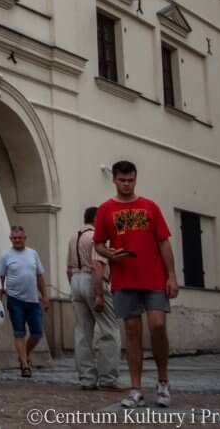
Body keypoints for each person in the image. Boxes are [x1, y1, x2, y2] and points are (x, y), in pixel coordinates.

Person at [93, 160, 179, 410]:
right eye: (122, 180)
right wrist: (110, 254)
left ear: (135, 179)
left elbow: (164, 242)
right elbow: (98, 243)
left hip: (154, 277)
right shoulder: (106, 209)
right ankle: (136, 388)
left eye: (130, 180)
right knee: (131, 331)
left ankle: (163, 381)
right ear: (114, 180)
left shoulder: (150, 207)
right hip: (125, 279)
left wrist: (171, 275)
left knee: (158, 325)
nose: (127, 185)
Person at [68, 206, 119, 390]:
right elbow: (98, 265)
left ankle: (87, 378)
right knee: (109, 330)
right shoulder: (97, 236)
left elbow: (68, 268)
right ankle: (108, 378)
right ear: (96, 218)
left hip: (76, 280)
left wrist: (74, 287)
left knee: (82, 332)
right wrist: (99, 294)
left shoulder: (74, 237)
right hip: (92, 280)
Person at [0, 226, 48, 377]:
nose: (17, 240)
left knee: (37, 333)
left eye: (20, 237)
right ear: (10, 239)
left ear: (25, 238)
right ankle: (25, 365)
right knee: (19, 333)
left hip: (33, 300)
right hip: (15, 300)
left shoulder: (33, 254)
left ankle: (23, 355)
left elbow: (39, 276)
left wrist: (45, 296)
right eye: (14, 238)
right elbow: (1, 277)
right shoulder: (6, 255)